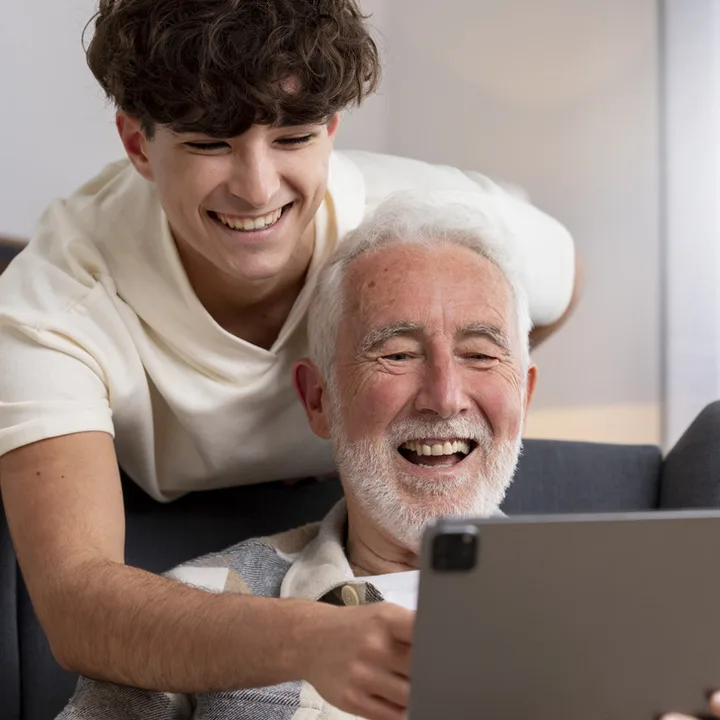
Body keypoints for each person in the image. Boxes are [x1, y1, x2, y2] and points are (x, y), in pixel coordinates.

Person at [0, 0, 578, 716]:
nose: (258, 187)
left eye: (295, 136)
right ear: (138, 143)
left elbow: (561, 285)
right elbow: (78, 603)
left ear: (332, 129)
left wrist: (440, 420)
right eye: (211, 144)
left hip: (359, 506)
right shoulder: (54, 303)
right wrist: (313, 640)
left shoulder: (422, 221)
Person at [56, 189, 537, 719]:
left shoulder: (619, 612)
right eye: (397, 354)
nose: (444, 397)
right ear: (318, 400)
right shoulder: (188, 614)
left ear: (525, 395)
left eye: (480, 354)